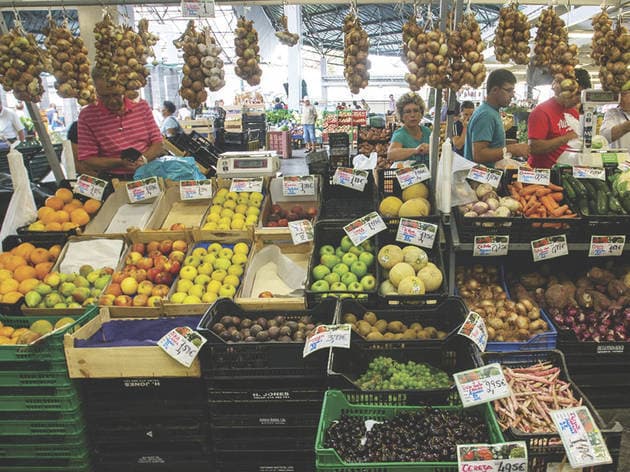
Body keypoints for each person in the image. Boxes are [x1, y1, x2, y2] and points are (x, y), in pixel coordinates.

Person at [77, 67, 163, 179]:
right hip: (113, 178)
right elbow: (88, 159)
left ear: (124, 89)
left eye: (116, 94)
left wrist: (143, 159)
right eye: (105, 96)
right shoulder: (87, 116)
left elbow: (158, 142)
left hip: (148, 173)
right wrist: (120, 162)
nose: (112, 101)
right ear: (96, 91)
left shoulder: (141, 106)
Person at [528, 69, 592, 168]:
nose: (579, 99)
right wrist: (565, 138)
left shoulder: (573, 112)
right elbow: (534, 148)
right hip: (544, 175)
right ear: (564, 90)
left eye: (582, 95)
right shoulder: (541, 111)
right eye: (577, 93)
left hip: (565, 172)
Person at [464, 69, 529, 167]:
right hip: (481, 180)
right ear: (494, 90)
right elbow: (478, 155)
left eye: (513, 91)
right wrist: (512, 149)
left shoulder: (491, 111)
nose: (512, 95)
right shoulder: (486, 115)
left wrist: (511, 144)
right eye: (509, 90)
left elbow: (490, 143)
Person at [387, 93, 431, 166]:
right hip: (409, 176)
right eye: (408, 112)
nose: (412, 115)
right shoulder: (400, 134)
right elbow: (391, 154)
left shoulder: (427, 131)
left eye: (416, 111)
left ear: (421, 113)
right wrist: (415, 150)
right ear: (402, 116)